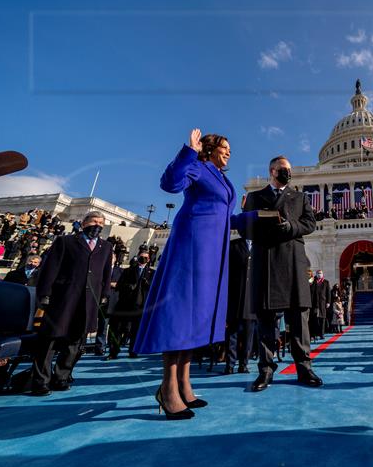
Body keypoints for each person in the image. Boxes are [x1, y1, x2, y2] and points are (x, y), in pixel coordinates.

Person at [134, 129, 237, 419]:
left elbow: (227, 218)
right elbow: (170, 184)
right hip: (191, 247)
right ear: (210, 148)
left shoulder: (222, 178)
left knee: (195, 318)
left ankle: (184, 384)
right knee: (179, 315)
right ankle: (168, 389)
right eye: (224, 147)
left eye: (230, 148)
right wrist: (189, 151)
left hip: (212, 253)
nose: (229, 152)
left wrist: (259, 220)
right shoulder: (197, 166)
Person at [241, 155, 322, 392]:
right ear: (272, 171)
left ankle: (304, 367)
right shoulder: (255, 197)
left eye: (289, 169)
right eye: (283, 169)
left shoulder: (300, 197)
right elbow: (246, 228)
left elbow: (310, 224)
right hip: (266, 258)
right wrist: (265, 226)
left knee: (299, 317)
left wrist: (290, 227)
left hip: (293, 260)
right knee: (266, 317)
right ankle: (266, 369)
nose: (287, 172)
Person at [31, 211, 112, 396]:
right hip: (63, 297)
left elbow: (106, 273)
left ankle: (61, 377)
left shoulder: (106, 246)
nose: (97, 225)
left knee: (75, 342)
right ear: (84, 223)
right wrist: (44, 294)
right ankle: (41, 380)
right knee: (50, 340)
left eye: (101, 222)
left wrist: (105, 293)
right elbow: (50, 268)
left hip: (88, 300)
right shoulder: (65, 241)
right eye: (94, 221)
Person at [107, 252, 155, 359]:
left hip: (141, 306)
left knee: (136, 330)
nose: (143, 259)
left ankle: (133, 351)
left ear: (148, 259)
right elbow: (119, 285)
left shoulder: (152, 273)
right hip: (125, 304)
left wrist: (147, 284)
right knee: (119, 329)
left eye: (145, 258)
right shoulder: (128, 270)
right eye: (141, 257)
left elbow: (155, 289)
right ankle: (113, 352)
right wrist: (128, 286)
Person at [224, 236, 256, 375]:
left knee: (248, 335)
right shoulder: (233, 245)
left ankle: (244, 364)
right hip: (235, 296)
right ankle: (229, 365)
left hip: (251, 299)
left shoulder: (260, 245)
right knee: (232, 333)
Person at [310, 270, 331, 340]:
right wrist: (311, 280)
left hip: (322, 303)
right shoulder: (313, 281)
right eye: (318, 273)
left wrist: (328, 302)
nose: (319, 275)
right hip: (314, 303)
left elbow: (328, 293)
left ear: (322, 274)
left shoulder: (326, 282)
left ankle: (322, 334)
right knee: (314, 319)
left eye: (320, 273)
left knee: (322, 319)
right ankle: (314, 334)